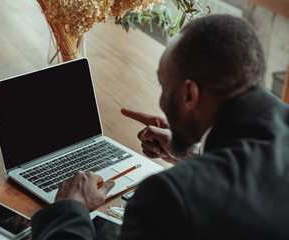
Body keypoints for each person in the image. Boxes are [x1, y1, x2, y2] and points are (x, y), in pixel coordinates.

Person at [31, 14, 289, 239]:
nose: (161, 100)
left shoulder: (169, 196)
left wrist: (69, 209)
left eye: (164, 86)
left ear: (190, 95)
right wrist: (195, 155)